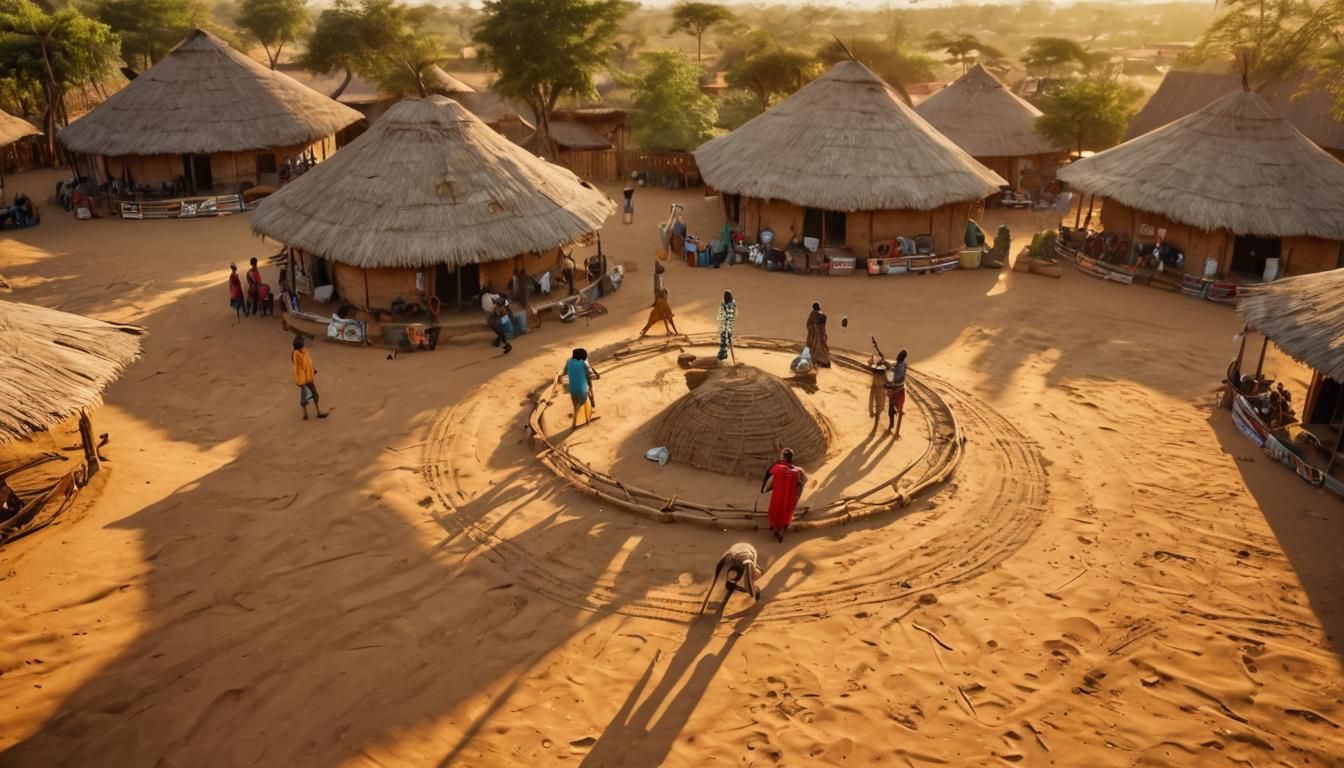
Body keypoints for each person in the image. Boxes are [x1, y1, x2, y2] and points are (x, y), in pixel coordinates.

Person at [761, 448, 807, 542]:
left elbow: (770, 481)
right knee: (786, 512)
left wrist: (764, 489)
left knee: (776, 511)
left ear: (784, 458)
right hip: (789, 498)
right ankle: (781, 530)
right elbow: (803, 480)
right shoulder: (796, 471)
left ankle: (776, 530)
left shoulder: (778, 468)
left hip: (778, 497)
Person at [292, 335, 328, 420]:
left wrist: (313, 369)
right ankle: (317, 412)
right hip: (305, 380)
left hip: (307, 378)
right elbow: (300, 368)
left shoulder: (303, 351)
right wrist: (303, 381)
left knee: (306, 396)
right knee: (313, 395)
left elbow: (308, 362)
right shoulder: (297, 354)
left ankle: (306, 414)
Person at [564, 348, 595, 428]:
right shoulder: (584, 363)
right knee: (585, 403)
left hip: (572, 389)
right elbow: (590, 374)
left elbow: (565, 371)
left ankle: (575, 422)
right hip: (583, 389)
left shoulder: (568, 361)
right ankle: (586, 420)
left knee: (576, 406)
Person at [884, 350, 909, 437]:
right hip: (901, 389)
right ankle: (896, 411)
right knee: (899, 405)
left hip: (895, 389)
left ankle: (891, 426)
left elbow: (895, 376)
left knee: (891, 408)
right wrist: (889, 364)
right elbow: (896, 367)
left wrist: (888, 366)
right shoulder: (904, 363)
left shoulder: (900, 365)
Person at [805, 302, 831, 368]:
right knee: (817, 347)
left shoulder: (813, 316)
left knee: (818, 347)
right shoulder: (820, 316)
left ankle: (820, 361)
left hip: (817, 336)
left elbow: (809, 325)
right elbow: (810, 325)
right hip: (816, 336)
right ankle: (819, 361)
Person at [717, 291, 737, 361]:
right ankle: (728, 358)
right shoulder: (732, 303)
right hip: (728, 325)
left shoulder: (725, 304)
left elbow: (722, 316)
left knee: (725, 342)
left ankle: (723, 357)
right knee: (728, 341)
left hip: (725, 325)